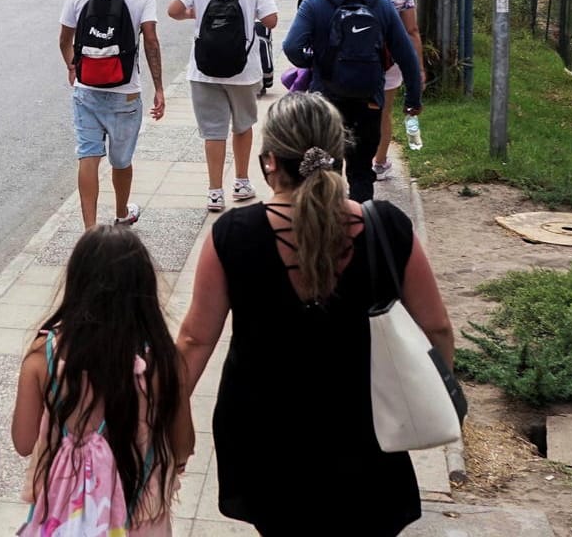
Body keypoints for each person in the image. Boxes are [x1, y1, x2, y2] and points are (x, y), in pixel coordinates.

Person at [175, 91, 455, 537]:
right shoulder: (386, 227)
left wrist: (167, 416)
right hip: (367, 432)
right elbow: (437, 325)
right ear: (339, 153)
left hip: (264, 437)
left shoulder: (233, 235)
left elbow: (195, 340)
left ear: (269, 162)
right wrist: (439, 389)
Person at [14, 226, 192, 537]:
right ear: (144, 291)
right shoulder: (163, 361)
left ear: (76, 283)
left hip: (67, 518)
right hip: (142, 517)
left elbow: (23, 440)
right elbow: (183, 445)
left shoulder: (44, 357)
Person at [282, 0, 424, 202]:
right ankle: (361, 229)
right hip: (368, 98)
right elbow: (406, 54)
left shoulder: (315, 3)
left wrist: (316, 61)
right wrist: (413, 98)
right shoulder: (380, 0)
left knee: (327, 169)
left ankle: (330, 228)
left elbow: (291, 47)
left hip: (326, 99)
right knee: (361, 171)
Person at [168, 0, 280, 212]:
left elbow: (173, 10)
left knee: (213, 132)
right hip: (244, 70)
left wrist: (195, 14)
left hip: (203, 70)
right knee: (243, 126)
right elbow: (271, 19)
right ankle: (241, 182)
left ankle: (215, 192)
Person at [59, 0, 165, 229]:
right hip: (126, 91)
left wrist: (72, 67)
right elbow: (151, 42)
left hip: (86, 88)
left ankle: (90, 228)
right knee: (121, 160)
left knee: (88, 156)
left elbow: (64, 38)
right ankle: (121, 213)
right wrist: (158, 87)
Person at [359, 0, 424, 178]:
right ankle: (380, 161)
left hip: (354, 62)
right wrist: (418, 68)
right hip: (389, 63)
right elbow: (412, 31)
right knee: (383, 113)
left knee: (354, 112)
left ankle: (356, 160)